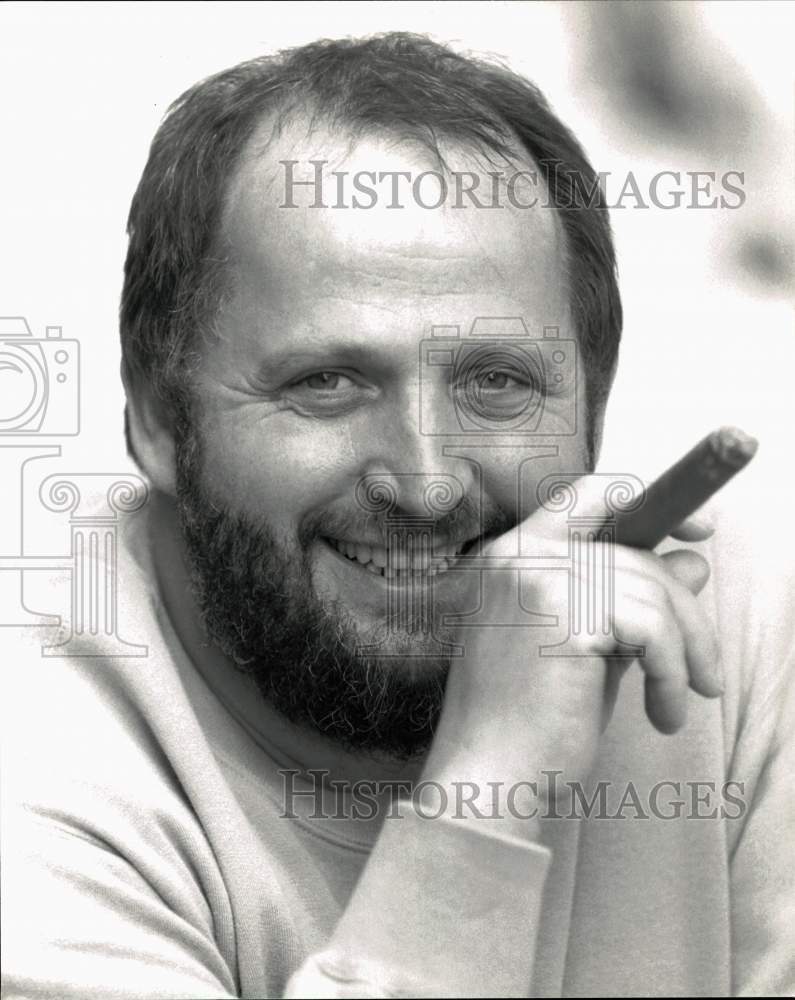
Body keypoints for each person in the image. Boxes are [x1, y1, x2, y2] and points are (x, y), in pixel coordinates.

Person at [2, 33, 792, 999]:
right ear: (159, 420)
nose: (425, 484)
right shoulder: (33, 774)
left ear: (596, 402)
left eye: (498, 383)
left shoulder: (742, 626)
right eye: (326, 384)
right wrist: (486, 791)